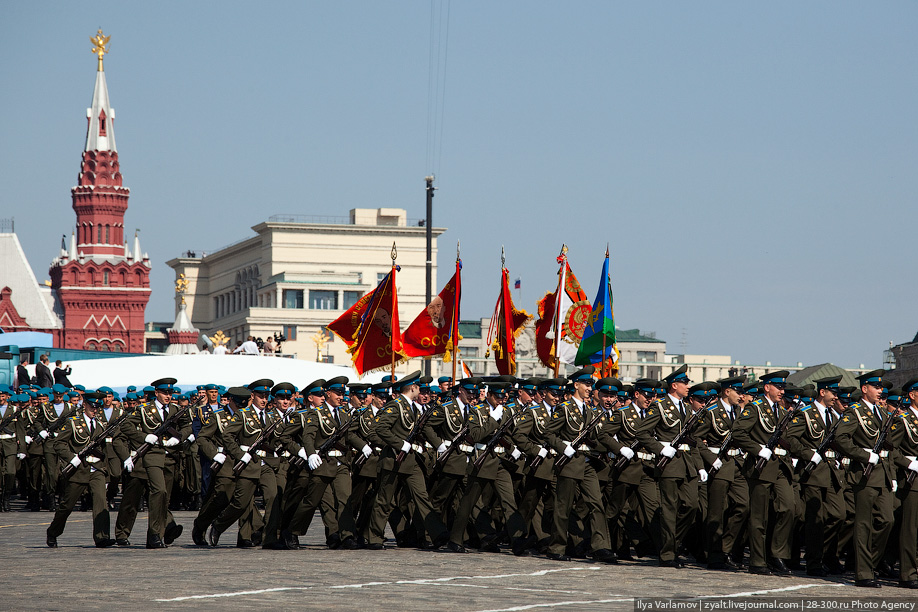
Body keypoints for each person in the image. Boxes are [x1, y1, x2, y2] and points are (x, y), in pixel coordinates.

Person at [834, 369, 902, 588]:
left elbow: (891, 445)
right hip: (863, 474)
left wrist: (891, 474)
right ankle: (863, 573)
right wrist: (864, 455)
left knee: (886, 520)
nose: (880, 391)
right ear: (865, 389)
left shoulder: (882, 414)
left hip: (882, 474)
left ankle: (868, 563)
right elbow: (841, 439)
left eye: (881, 388)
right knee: (863, 524)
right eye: (876, 387)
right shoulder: (854, 412)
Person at [46, 392, 116, 548]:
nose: (95, 410)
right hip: (78, 470)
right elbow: (58, 443)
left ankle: (102, 537)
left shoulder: (101, 424)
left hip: (96, 469)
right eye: (92, 406)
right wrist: (71, 458)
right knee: (67, 506)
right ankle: (53, 532)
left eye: (97, 407)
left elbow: (106, 451)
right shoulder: (73, 423)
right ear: (84, 404)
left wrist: (107, 473)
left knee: (100, 501)